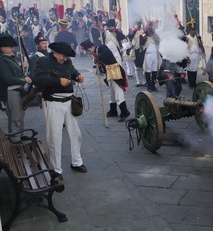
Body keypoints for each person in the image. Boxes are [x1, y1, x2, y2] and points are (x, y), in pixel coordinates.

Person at [33, 41, 87, 176]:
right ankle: (56, 169)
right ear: (55, 53)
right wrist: (58, 81)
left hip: (70, 102)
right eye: (63, 56)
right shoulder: (44, 61)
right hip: (53, 102)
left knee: (76, 134)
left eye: (67, 56)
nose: (65, 59)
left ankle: (77, 161)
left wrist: (78, 76)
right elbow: (37, 79)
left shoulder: (67, 62)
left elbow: (73, 71)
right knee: (55, 137)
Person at [80, 39, 130, 122]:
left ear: (92, 47)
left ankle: (124, 111)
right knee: (112, 93)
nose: (89, 53)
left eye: (88, 51)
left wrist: (97, 58)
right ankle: (113, 110)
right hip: (109, 73)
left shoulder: (101, 48)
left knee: (118, 92)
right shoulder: (96, 51)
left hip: (116, 72)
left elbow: (107, 54)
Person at [0, 34, 32, 141]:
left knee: (20, 115)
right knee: (15, 117)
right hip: (10, 91)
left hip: (17, 90)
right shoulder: (2, 61)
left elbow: (15, 73)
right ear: (3, 48)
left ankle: (20, 134)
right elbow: (8, 79)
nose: (12, 49)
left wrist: (22, 68)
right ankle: (15, 138)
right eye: (10, 47)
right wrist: (23, 80)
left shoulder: (9, 59)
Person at [185, 19, 205, 89]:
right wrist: (187, 58)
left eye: (194, 30)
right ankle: (191, 83)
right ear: (189, 31)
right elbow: (185, 49)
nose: (193, 32)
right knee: (190, 70)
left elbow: (200, 46)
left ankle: (194, 82)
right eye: (191, 30)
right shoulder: (187, 38)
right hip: (190, 55)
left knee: (195, 69)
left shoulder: (197, 37)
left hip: (196, 55)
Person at [143, 21, 161, 92]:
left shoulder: (155, 35)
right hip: (148, 55)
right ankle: (149, 85)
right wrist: (146, 34)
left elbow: (158, 42)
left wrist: (154, 34)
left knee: (154, 70)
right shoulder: (144, 35)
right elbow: (141, 42)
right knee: (148, 70)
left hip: (155, 54)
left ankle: (153, 86)